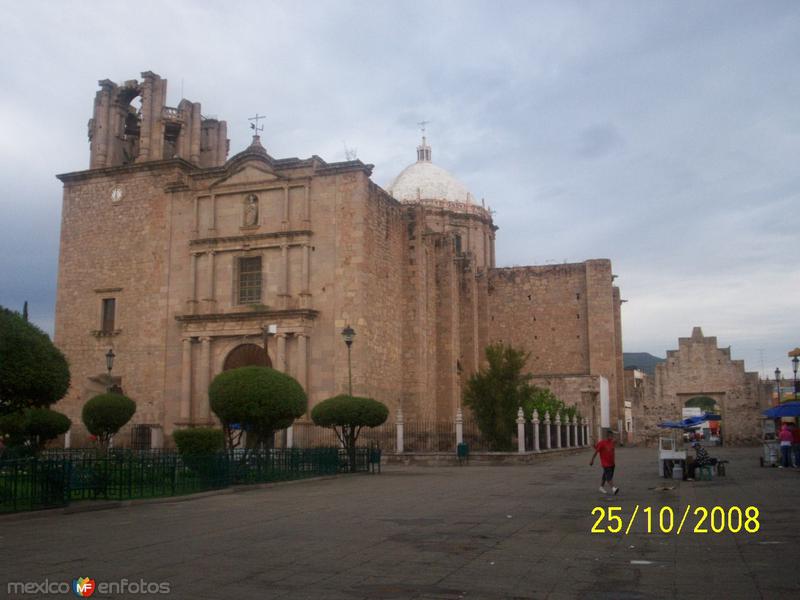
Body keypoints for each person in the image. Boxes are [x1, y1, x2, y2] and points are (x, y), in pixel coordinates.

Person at [590, 429, 618, 495]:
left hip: (612, 463)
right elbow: (596, 451)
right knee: (609, 477)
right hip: (605, 463)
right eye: (610, 436)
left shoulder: (612, 442)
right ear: (607, 436)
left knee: (605, 475)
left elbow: (616, 441)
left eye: (612, 435)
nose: (611, 437)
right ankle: (613, 488)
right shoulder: (602, 443)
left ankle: (601, 487)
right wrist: (592, 460)